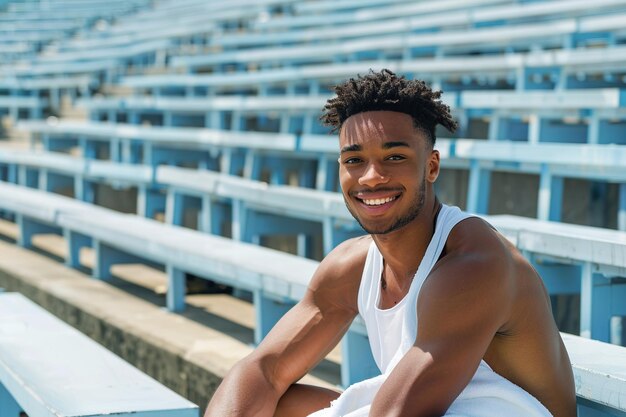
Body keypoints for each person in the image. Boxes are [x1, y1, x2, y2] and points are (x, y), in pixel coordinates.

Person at [204, 69, 576, 417]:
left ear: (431, 166)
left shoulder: (474, 263)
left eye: (394, 157)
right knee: (276, 403)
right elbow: (264, 369)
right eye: (354, 160)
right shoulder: (349, 266)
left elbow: (396, 414)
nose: (372, 177)